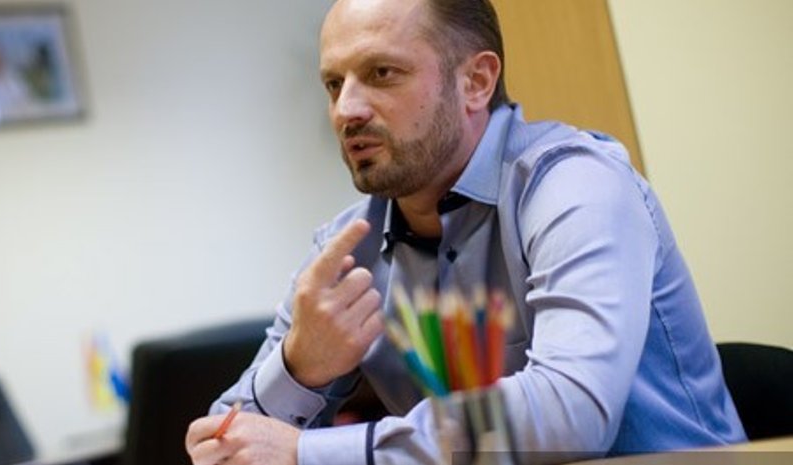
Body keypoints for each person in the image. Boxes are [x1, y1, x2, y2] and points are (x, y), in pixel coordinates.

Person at [185, 0, 747, 464]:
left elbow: (571, 414)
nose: (345, 109)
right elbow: (227, 443)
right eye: (334, 83)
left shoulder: (576, 185)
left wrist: (309, 453)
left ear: (476, 81)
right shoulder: (349, 247)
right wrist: (299, 367)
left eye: (381, 73)